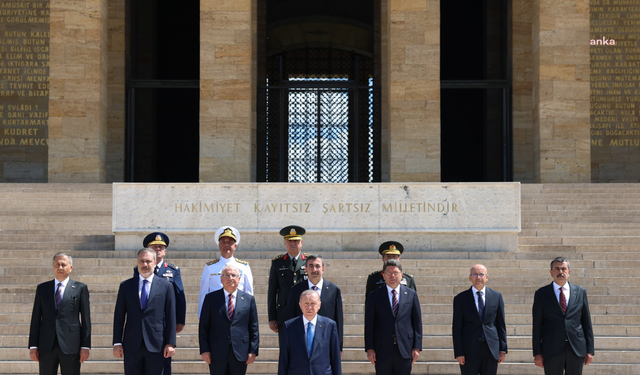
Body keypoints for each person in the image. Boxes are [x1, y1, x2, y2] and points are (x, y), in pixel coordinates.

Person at [113, 248, 177, 375]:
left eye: (148, 261)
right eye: (141, 261)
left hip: (157, 344)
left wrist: (170, 343)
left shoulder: (166, 286)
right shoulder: (126, 286)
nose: (145, 264)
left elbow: (171, 316)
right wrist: (117, 342)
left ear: (154, 263)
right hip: (132, 344)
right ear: (137, 263)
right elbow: (119, 316)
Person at [28, 252, 91, 375]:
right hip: (46, 345)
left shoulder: (80, 288)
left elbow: (86, 319)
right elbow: (35, 318)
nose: (60, 267)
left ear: (70, 268)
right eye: (57, 265)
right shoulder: (42, 288)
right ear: (53, 267)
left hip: (71, 345)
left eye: (63, 264)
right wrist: (33, 345)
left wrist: (85, 346)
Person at [133, 233, 186, 375]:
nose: (157, 249)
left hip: (164, 323)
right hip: (145, 324)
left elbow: (180, 297)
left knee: (163, 363)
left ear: (165, 251)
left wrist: (179, 321)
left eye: (160, 247)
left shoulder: (172, 271)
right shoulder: (139, 268)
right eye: (154, 247)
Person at [532, 257, 594, 375]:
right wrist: (537, 353)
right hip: (551, 349)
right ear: (551, 273)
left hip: (576, 348)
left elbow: (587, 322)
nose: (560, 272)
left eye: (563, 269)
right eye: (557, 269)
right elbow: (537, 325)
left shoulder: (580, 292)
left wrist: (590, 350)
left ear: (569, 272)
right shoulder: (541, 294)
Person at [199, 263, 259, 375]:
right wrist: (204, 350)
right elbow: (204, 326)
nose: (230, 278)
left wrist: (253, 351)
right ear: (221, 279)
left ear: (239, 279)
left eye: (233, 275)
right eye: (226, 275)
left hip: (240, 351)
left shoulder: (248, 299)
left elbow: (254, 327)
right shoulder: (210, 298)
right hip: (216, 351)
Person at [365, 259, 422, 375]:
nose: (392, 275)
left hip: (405, 349)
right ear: (383, 275)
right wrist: (370, 348)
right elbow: (369, 324)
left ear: (401, 275)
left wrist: (417, 347)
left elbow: (417, 323)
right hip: (382, 349)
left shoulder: (411, 294)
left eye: (395, 272)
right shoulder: (375, 296)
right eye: (388, 272)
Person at [452, 264, 507, 375]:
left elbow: (501, 325)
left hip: (491, 349)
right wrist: (459, 352)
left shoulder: (496, 296)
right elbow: (457, 328)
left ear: (487, 277)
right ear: (470, 278)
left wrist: (502, 349)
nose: (478, 277)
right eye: (475, 274)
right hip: (469, 350)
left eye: (481, 274)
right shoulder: (460, 298)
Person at [285, 254, 344, 350]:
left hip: (326, 342)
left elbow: (338, 320)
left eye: (317, 266)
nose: (314, 270)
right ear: (306, 269)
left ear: (323, 269)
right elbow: (291, 317)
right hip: (301, 341)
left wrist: (339, 347)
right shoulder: (296, 290)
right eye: (311, 266)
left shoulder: (334, 290)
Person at [278, 290, 341, 375]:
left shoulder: (330, 325)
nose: (309, 307)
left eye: (313, 303)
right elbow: (283, 359)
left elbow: (335, 358)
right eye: (306, 303)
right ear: (300, 305)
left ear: (319, 305)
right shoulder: (289, 326)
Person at [198, 226, 253, 318]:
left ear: (235, 246)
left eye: (230, 242)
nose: (226, 245)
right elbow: (204, 293)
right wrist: (202, 315)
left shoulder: (244, 267)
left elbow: (249, 293)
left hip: (238, 312)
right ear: (219, 245)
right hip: (216, 311)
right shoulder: (210, 267)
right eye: (223, 242)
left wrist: (250, 315)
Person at [268, 225, 309, 334]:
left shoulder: (309, 262)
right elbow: (272, 292)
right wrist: (272, 317)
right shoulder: (278, 263)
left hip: (305, 313)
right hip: (284, 314)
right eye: (289, 241)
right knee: (285, 349)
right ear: (284, 243)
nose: (293, 243)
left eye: (296, 241)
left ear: (302, 242)